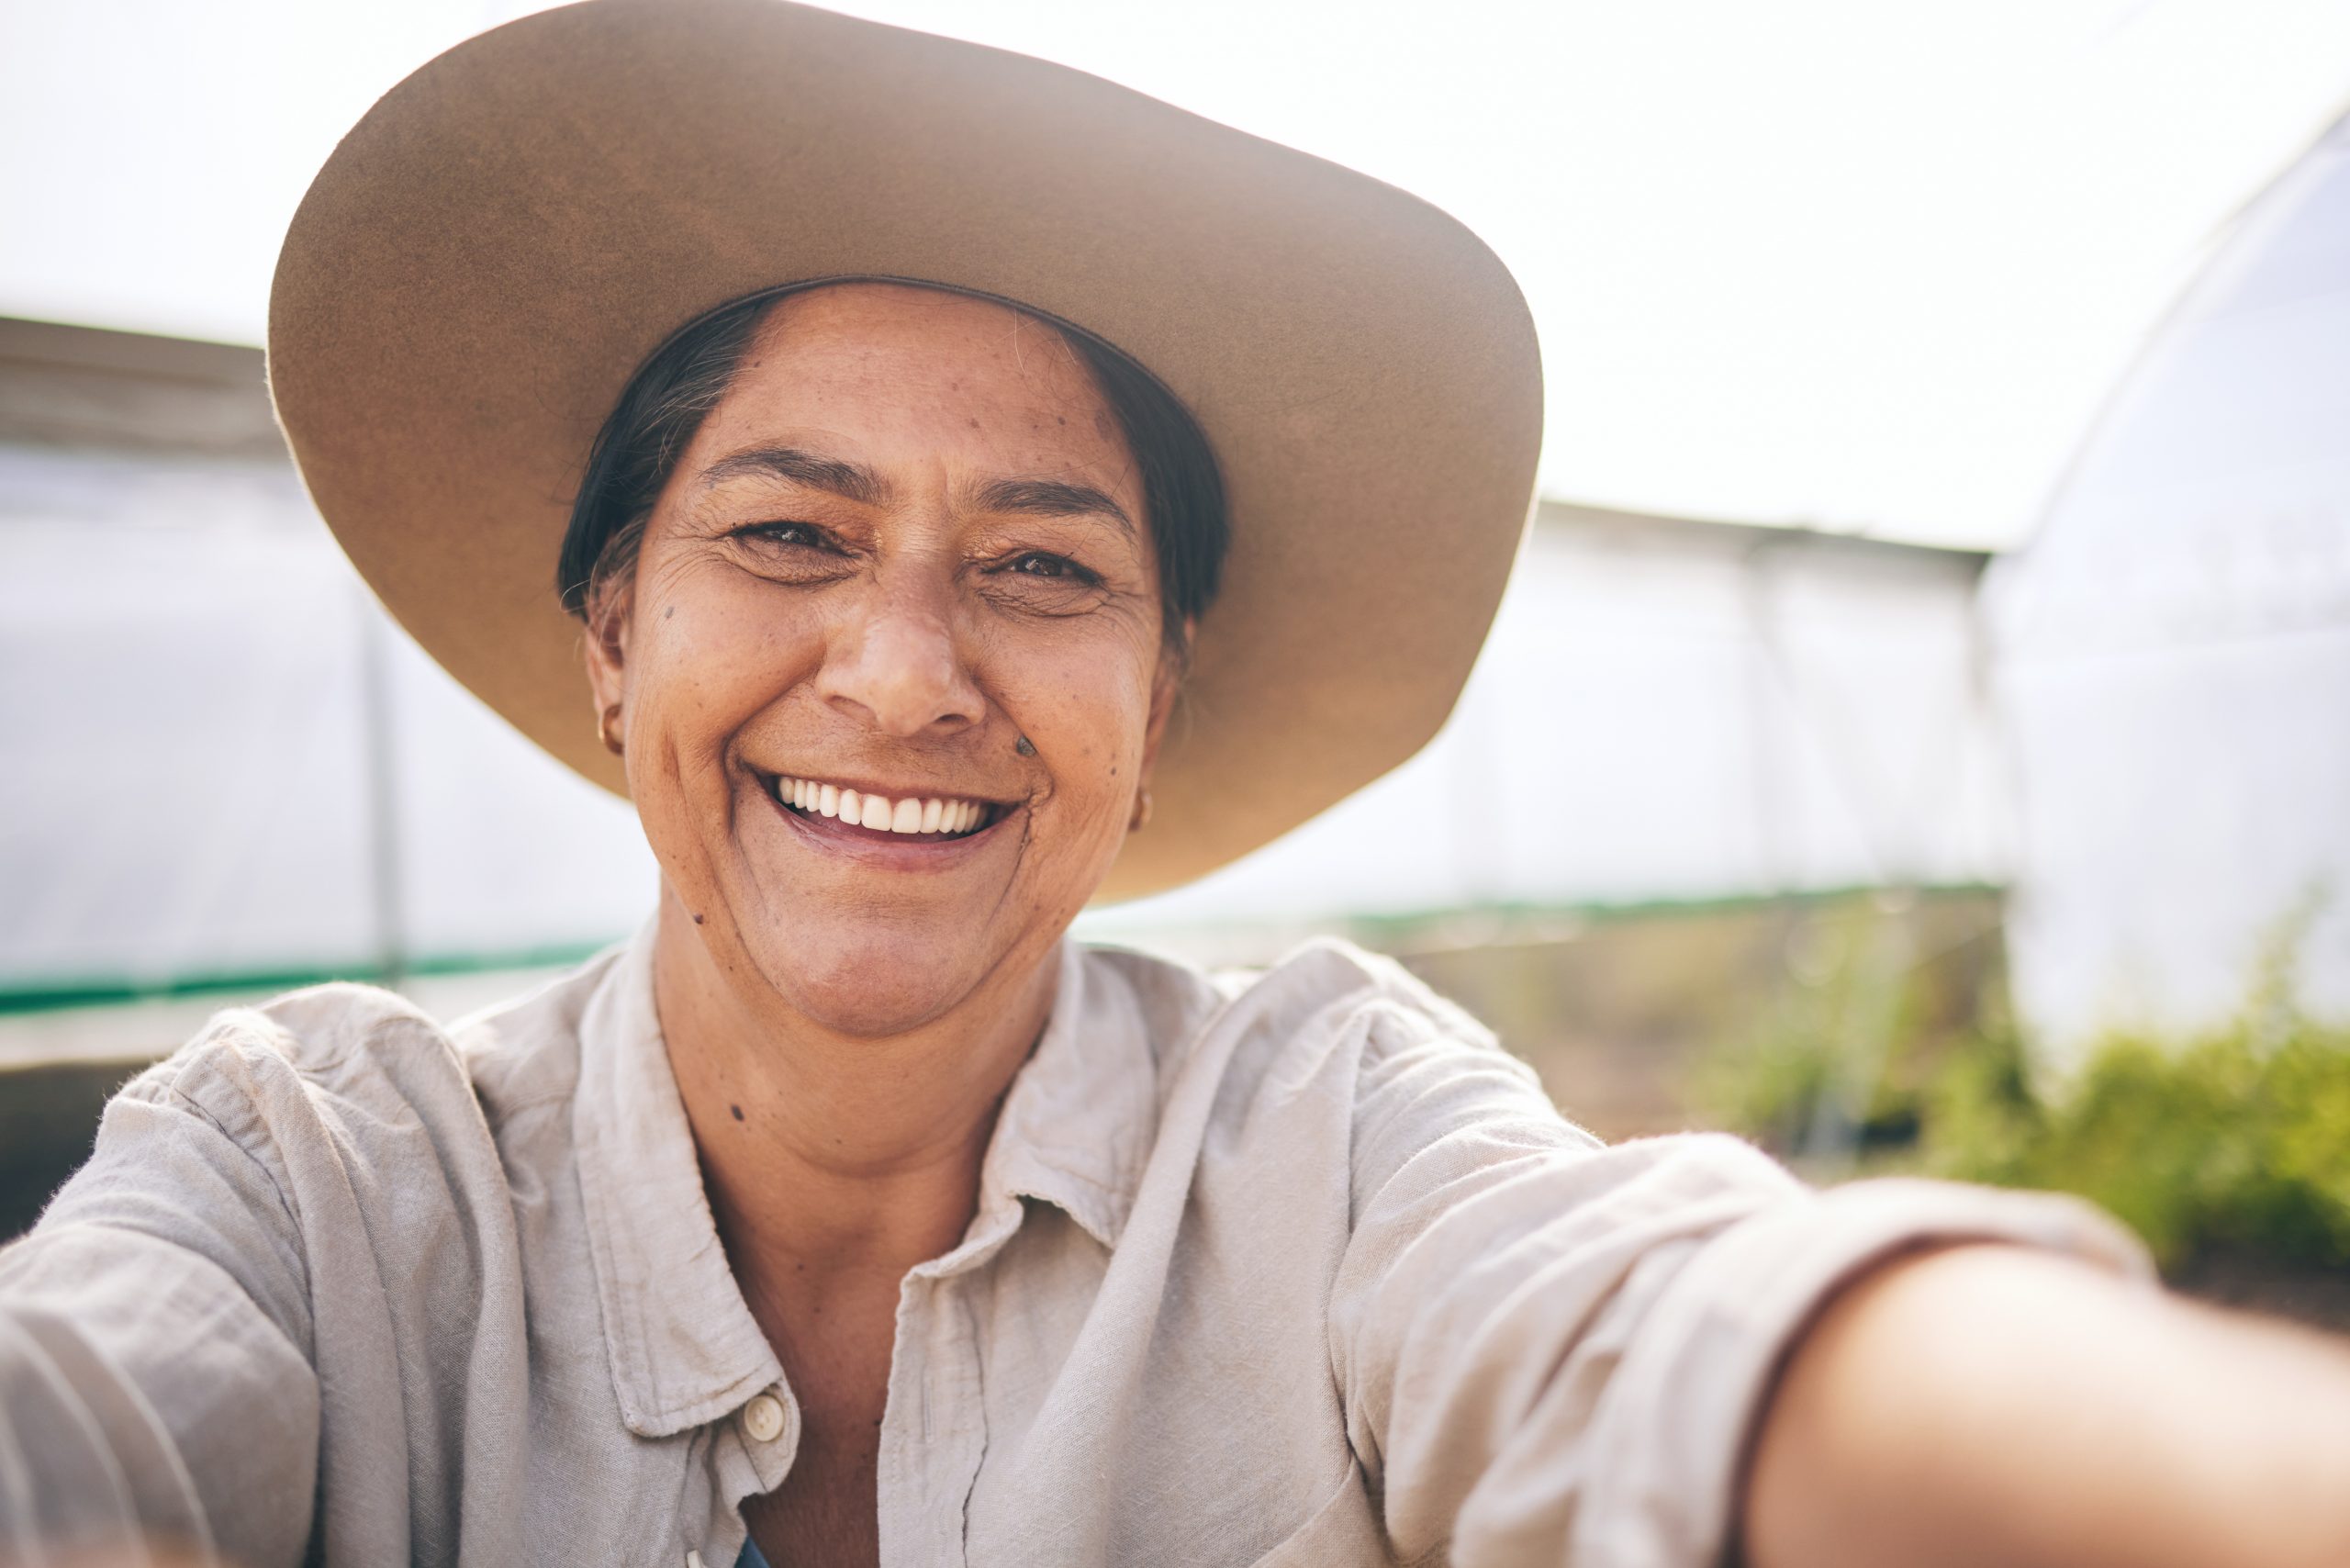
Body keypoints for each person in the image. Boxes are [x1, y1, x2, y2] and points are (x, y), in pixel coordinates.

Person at [5, 3, 2348, 1566]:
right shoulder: (312, 1184)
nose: (908, 669)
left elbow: (1670, 1328)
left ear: (1154, 683)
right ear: (613, 631)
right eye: (789, 535)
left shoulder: (1323, 1134)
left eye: (1043, 565)